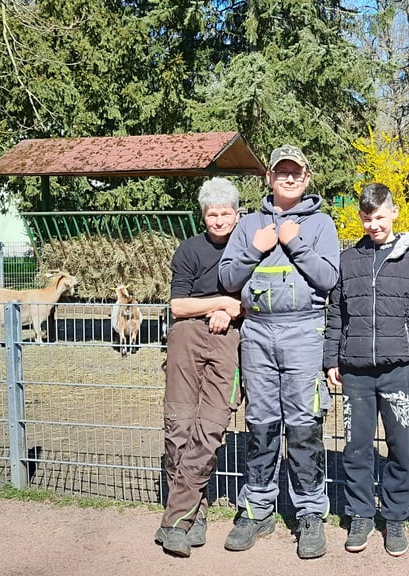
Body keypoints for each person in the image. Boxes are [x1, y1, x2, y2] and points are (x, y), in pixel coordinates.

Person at [218, 145, 340, 560]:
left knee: (305, 423)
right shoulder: (249, 224)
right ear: (269, 178)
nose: (289, 179)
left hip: (304, 332)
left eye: (296, 173)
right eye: (281, 172)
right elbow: (228, 276)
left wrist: (296, 243)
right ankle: (257, 509)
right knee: (262, 422)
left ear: (307, 178)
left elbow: (328, 278)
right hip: (258, 333)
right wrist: (256, 247)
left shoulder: (321, 224)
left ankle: (310, 514)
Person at [323, 183, 409, 557]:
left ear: (394, 213)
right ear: (361, 218)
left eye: (381, 217)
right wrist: (331, 359)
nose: (374, 225)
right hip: (354, 370)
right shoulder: (347, 259)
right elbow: (335, 314)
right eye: (368, 218)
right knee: (355, 448)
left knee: (400, 447)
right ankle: (360, 514)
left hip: (399, 369)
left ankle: (396, 516)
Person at [155, 177, 246, 558]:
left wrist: (230, 308)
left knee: (209, 429)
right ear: (203, 215)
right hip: (186, 338)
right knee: (179, 426)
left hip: (229, 344)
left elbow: (249, 304)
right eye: (213, 214)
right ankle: (196, 512)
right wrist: (221, 304)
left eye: (226, 213)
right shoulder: (189, 250)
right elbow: (178, 306)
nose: (220, 220)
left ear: (237, 215)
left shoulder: (248, 250)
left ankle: (174, 522)